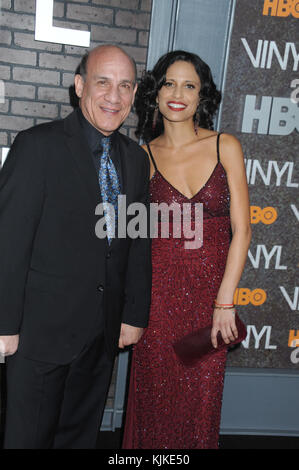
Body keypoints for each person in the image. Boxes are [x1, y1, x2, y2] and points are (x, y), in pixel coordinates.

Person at [0, 45, 151, 449]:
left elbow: (137, 241)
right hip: (39, 335)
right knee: (28, 438)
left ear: (135, 94)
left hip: (99, 335)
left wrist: (134, 313)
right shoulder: (37, 146)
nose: (113, 97)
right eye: (103, 83)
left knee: (80, 439)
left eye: (124, 86)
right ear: (80, 85)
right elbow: (10, 241)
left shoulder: (135, 160)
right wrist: (4, 324)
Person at [122, 50, 251, 449]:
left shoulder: (224, 145)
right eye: (169, 83)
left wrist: (224, 301)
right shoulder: (141, 157)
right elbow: (133, 236)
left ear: (202, 96)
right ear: (156, 93)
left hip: (211, 301)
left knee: (201, 404)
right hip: (157, 299)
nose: (178, 93)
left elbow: (242, 230)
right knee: (154, 400)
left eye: (189, 85)